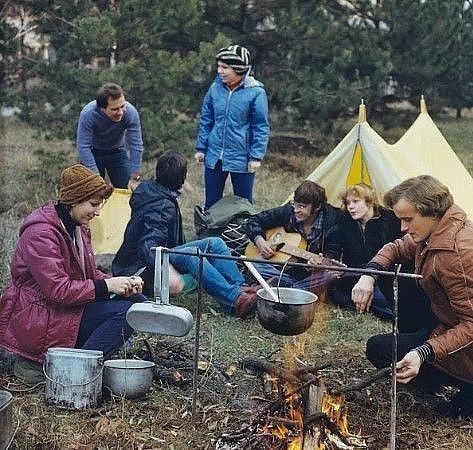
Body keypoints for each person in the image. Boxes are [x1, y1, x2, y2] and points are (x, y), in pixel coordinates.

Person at [0, 164, 145, 385]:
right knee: (124, 314)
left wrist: (122, 284)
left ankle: (81, 362)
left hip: (60, 311)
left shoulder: (77, 225)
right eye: (94, 204)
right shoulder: (41, 233)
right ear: (74, 201)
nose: (97, 212)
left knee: (132, 306)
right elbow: (57, 290)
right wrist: (108, 287)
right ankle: (73, 374)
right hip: (40, 319)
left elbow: (88, 274)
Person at [352, 175, 473, 417]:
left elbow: (471, 325)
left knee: (380, 350)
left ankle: (467, 389)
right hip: (445, 320)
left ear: (431, 212)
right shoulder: (440, 228)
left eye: (408, 219)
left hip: (465, 338)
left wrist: (424, 351)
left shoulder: (456, 255)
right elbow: (397, 247)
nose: (403, 227)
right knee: (390, 273)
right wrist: (369, 275)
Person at [112, 150, 259, 319]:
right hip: (141, 267)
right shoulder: (161, 207)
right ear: (180, 179)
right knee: (190, 255)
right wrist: (167, 270)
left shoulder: (153, 190)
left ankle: (240, 288)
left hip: (162, 251)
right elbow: (148, 245)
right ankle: (236, 300)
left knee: (215, 243)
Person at [195, 44, 270, 209]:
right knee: (211, 203)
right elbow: (206, 119)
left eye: (224, 67)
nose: (219, 71)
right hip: (214, 156)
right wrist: (201, 148)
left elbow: (261, 126)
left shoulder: (256, 92)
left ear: (238, 68)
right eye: (218, 66)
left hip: (242, 158)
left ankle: (243, 233)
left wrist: (256, 156)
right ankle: (209, 232)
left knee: (243, 204)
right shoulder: (215, 88)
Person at [245, 180, 342, 291]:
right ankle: (294, 290)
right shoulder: (288, 211)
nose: (296, 210)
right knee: (253, 264)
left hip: (307, 275)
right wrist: (260, 241)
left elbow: (331, 255)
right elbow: (253, 221)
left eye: (302, 207)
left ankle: (284, 286)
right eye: (294, 204)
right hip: (283, 268)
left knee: (328, 277)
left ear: (317, 207)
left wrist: (312, 265)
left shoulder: (332, 222)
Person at [329, 183, 401, 319]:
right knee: (337, 294)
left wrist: (371, 280)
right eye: (348, 202)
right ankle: (367, 301)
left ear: (370, 202)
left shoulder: (389, 219)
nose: (350, 207)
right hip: (355, 275)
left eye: (356, 201)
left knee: (386, 300)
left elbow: (397, 253)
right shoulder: (345, 220)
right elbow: (333, 244)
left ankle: (370, 302)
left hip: (384, 277)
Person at [76, 83, 144, 189]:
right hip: (93, 152)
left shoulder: (130, 112)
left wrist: (135, 176)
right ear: (102, 109)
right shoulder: (88, 114)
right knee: (93, 190)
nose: (121, 112)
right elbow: (83, 146)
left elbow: (136, 145)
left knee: (129, 189)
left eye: (122, 106)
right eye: (115, 109)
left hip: (117, 151)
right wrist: (96, 178)